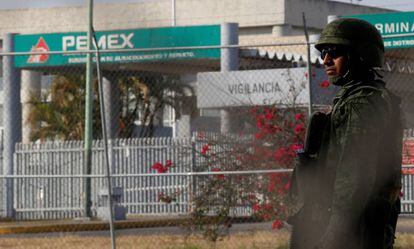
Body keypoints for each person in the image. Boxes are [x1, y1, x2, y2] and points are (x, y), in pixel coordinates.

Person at [289, 18, 403, 249]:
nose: (326, 60)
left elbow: (354, 174)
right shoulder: (360, 98)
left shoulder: (361, 103)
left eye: (335, 52)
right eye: (323, 53)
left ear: (360, 55)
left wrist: (335, 234)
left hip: (349, 229)